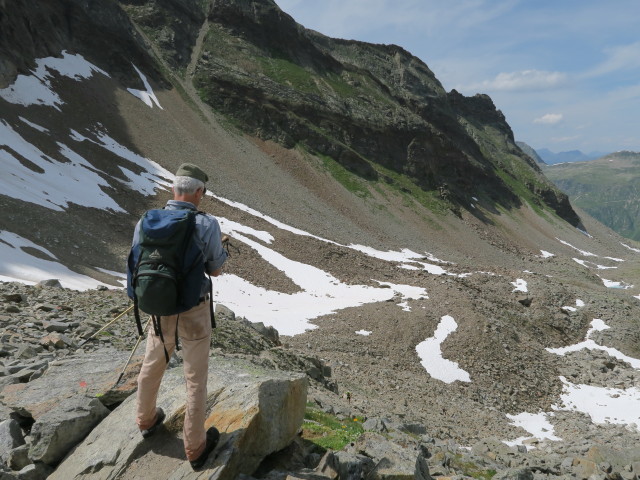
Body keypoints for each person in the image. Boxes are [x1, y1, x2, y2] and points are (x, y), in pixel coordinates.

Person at [132, 162, 228, 470]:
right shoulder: (207, 223)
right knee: (195, 377)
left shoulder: (148, 220)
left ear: (174, 189)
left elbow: (136, 260)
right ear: (199, 191)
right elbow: (214, 268)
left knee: (152, 361)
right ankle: (196, 447)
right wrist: (222, 251)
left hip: (159, 306)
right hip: (193, 307)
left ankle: (146, 420)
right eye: (203, 192)